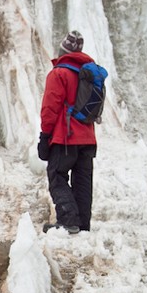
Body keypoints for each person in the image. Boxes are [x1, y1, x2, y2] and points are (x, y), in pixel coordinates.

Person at [38, 31, 98, 233]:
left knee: (57, 175)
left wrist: (45, 136)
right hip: (88, 139)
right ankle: (83, 224)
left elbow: (50, 109)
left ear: (63, 50)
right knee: (83, 180)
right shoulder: (89, 74)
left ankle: (69, 219)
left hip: (66, 137)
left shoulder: (59, 74)